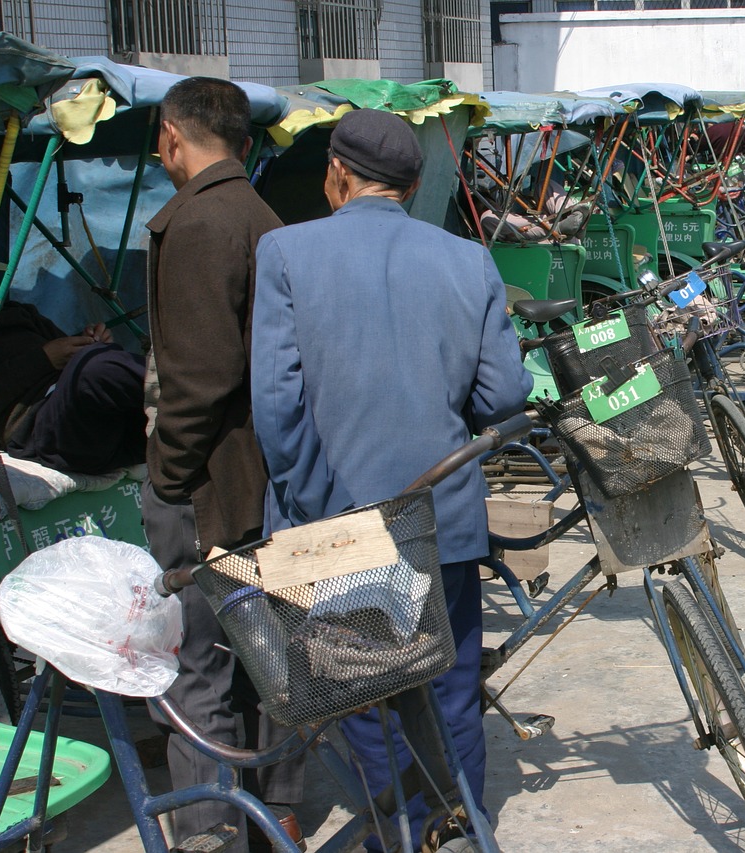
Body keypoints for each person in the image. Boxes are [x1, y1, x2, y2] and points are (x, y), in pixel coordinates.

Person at [251, 109, 532, 845]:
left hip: (333, 527)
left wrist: (326, 515)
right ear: (410, 186)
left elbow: (278, 413)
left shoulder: (284, 252)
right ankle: (464, 826)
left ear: (337, 174)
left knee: (367, 701)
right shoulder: (465, 259)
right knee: (451, 692)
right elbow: (504, 395)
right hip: (443, 519)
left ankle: (403, 832)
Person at [141, 77, 305, 852]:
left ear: (173, 137)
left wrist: (166, 476)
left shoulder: (201, 220)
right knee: (266, 663)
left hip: (209, 486)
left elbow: (198, 379)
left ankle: (210, 832)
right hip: (262, 483)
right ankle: (280, 810)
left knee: (195, 670)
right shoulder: (260, 214)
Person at [0, 300, 145, 474]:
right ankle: (174, 387)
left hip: (105, 419)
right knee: (94, 367)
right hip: (45, 431)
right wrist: (44, 359)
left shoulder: (14, 311)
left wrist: (90, 342)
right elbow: (65, 362)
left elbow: (67, 354)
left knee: (97, 363)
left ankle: (174, 397)